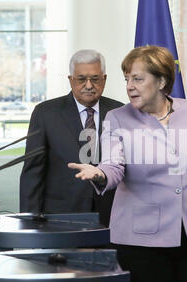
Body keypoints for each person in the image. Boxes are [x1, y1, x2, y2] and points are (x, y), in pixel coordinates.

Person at [69, 45, 187, 282]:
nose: (130, 86)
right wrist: (100, 173)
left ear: (161, 81)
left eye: (137, 78)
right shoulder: (117, 118)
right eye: (127, 79)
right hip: (141, 244)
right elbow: (113, 166)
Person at [20, 49, 123, 227]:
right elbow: (33, 173)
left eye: (95, 79)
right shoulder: (46, 113)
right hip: (61, 216)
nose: (89, 85)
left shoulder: (120, 112)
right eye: (82, 79)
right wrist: (30, 221)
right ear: (71, 80)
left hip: (112, 215)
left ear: (104, 79)